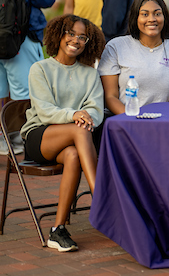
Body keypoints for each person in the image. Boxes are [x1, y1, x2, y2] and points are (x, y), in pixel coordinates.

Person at [20, 14, 105, 252]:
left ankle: (57, 230)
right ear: (59, 34)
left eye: (82, 37)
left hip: (74, 137)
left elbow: (96, 109)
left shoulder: (90, 73)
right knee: (79, 130)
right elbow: (45, 111)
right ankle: (100, 194)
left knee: (74, 155)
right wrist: (74, 115)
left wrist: (84, 117)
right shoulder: (40, 69)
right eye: (70, 33)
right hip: (41, 137)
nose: (75, 40)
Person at [98, 0, 169, 115]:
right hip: (125, 121)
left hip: (162, 123)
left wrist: (161, 123)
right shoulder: (115, 47)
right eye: (145, 14)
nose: (152, 19)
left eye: (157, 14)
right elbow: (110, 97)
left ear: (165, 17)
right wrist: (134, 121)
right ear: (135, 18)